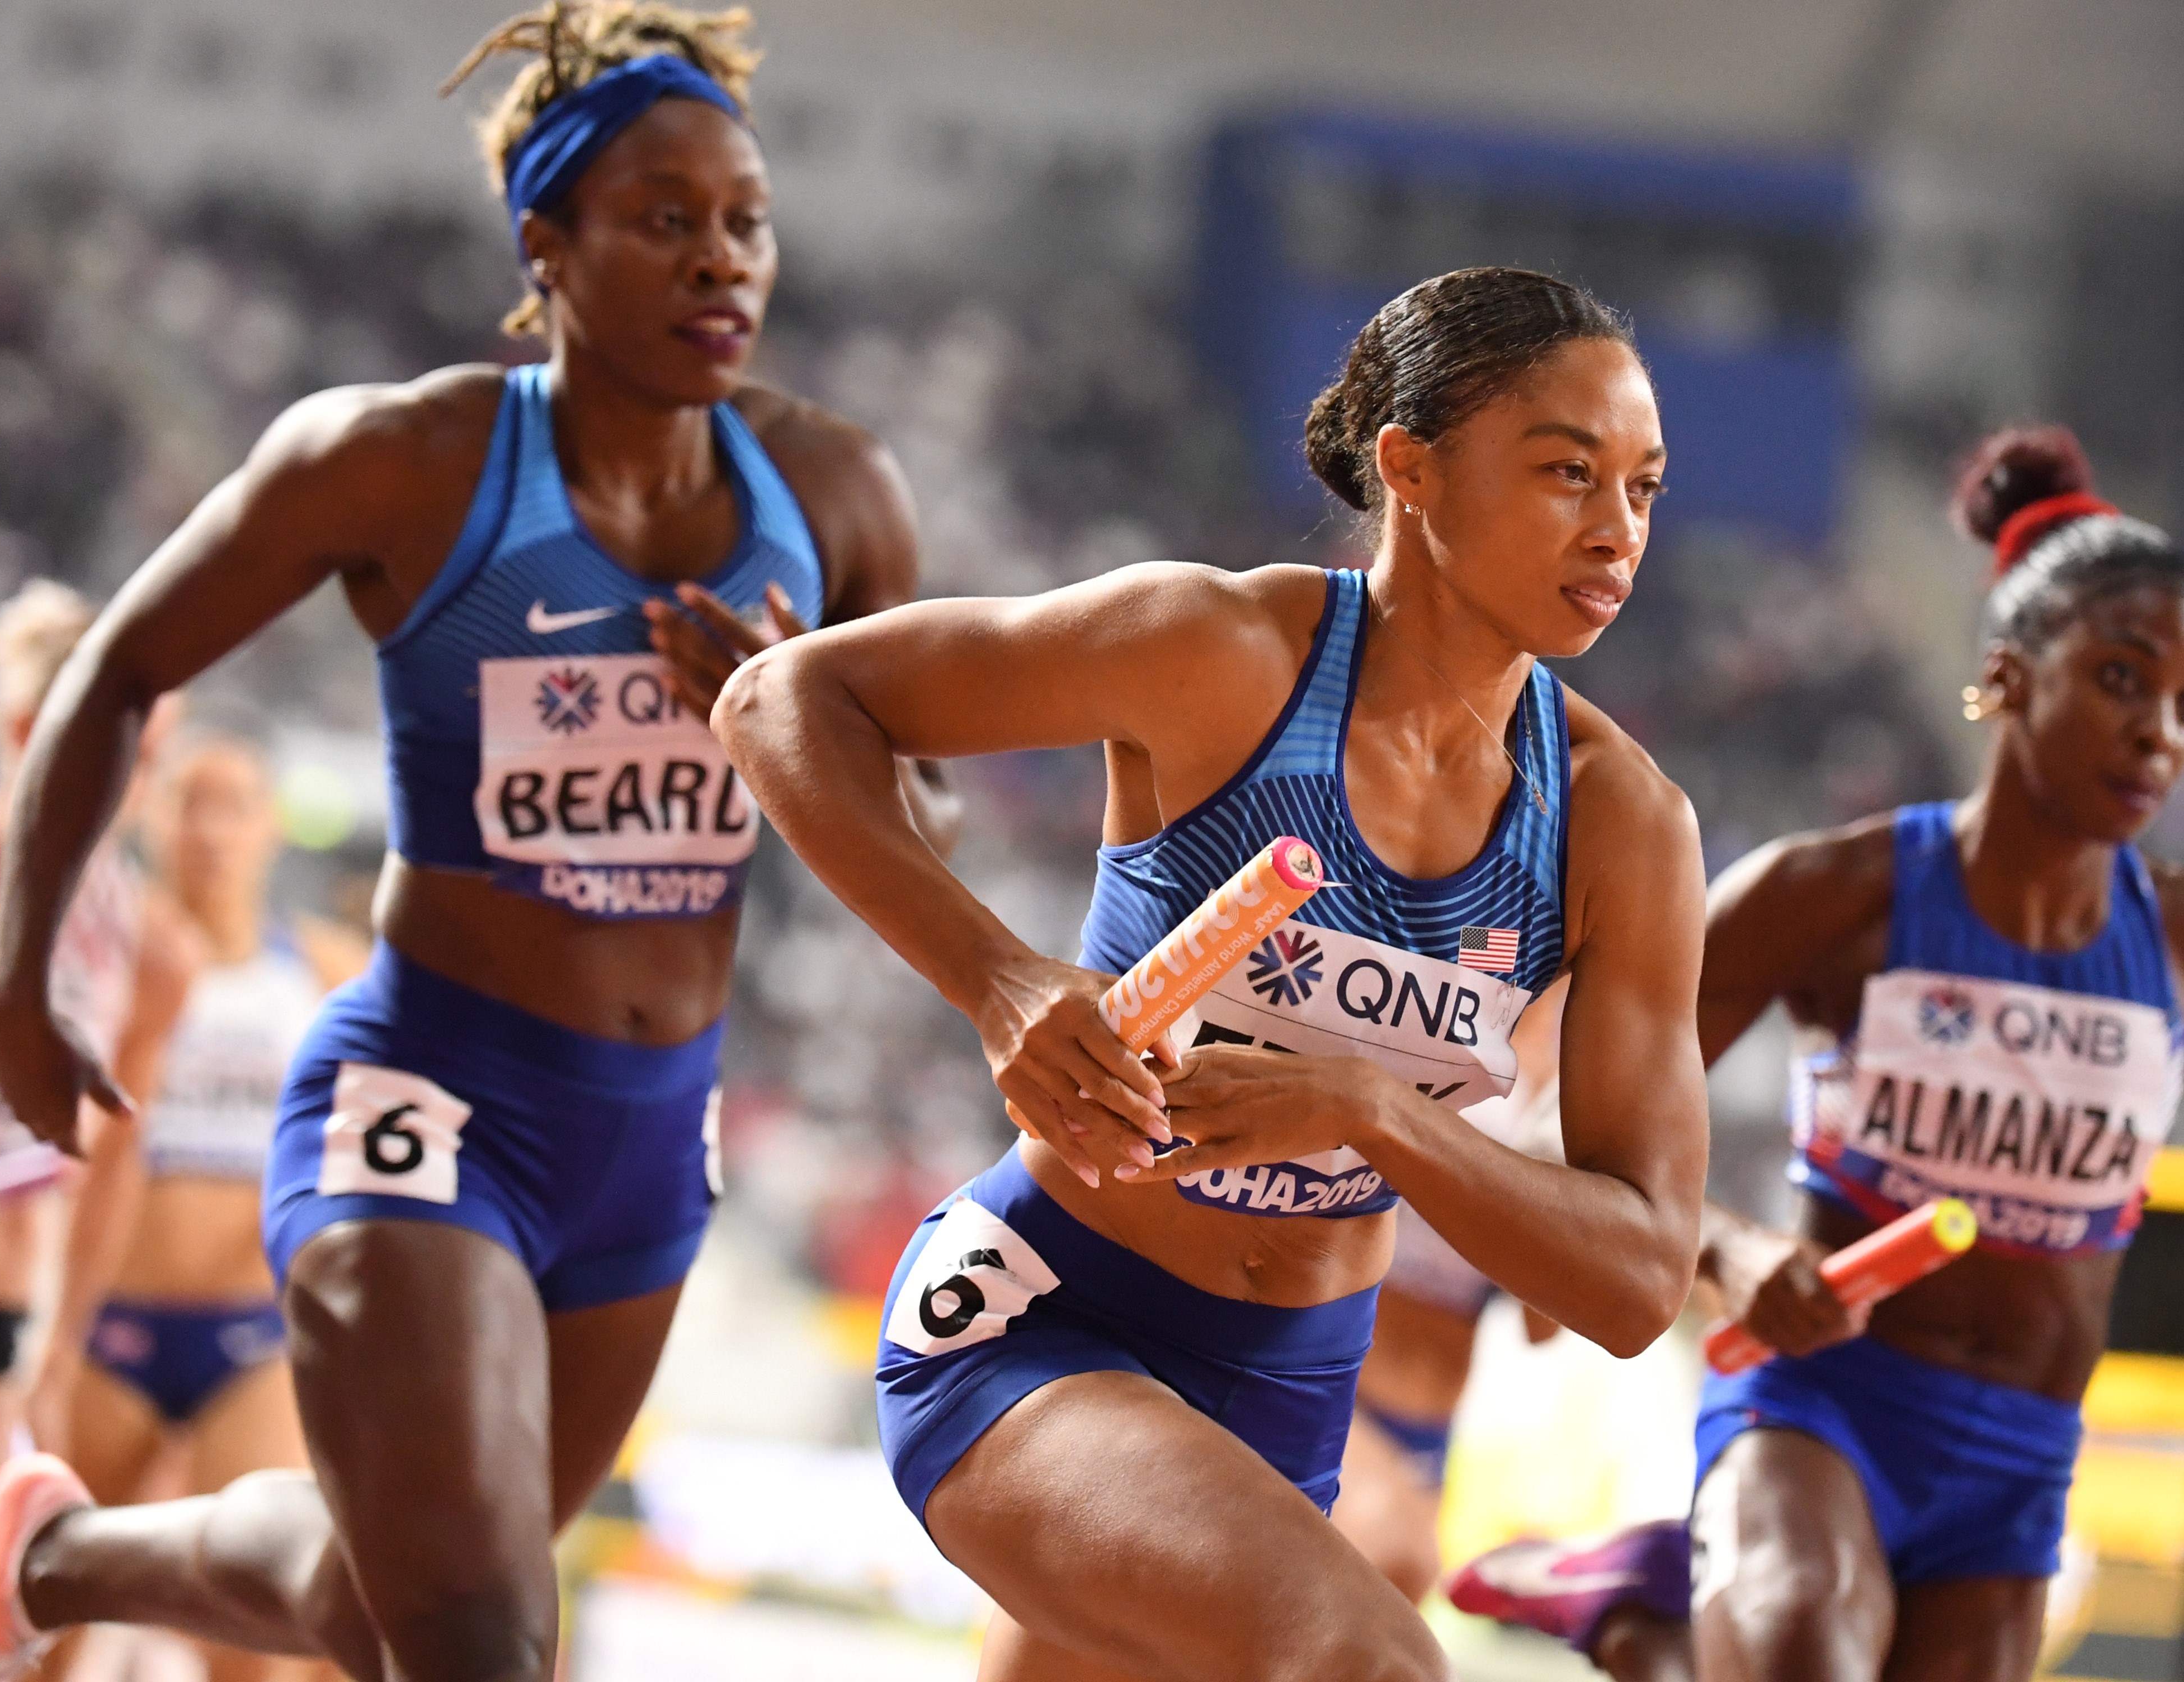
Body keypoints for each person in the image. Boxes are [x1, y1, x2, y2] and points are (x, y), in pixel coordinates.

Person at [0, 7, 948, 1682]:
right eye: (662, 219)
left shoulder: (834, 496)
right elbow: (120, 668)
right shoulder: (408, 458)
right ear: (547, 243)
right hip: (430, 1099)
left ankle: (58, 1553)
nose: (719, 260)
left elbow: (920, 804)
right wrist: (27, 977)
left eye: (743, 220)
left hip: (648, 1140)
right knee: (478, 1642)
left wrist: (782, 713)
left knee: (376, 1602)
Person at [715, 263, 1711, 1682]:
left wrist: (1370, 1109)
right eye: (1567, 473)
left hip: (1289, 1392)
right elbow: (781, 696)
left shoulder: (1621, 824)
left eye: (1644, 489)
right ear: (1409, 468)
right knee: (1370, 1657)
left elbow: (1635, 1279)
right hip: (1041, 1320)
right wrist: (996, 978)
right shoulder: (1219, 652)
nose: (1615, 529)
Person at [1449, 426, 2184, 1682]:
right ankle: (1680, 1599)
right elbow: (1564, 1106)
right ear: (2005, 675)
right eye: (2120, 679)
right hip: (1822, 1405)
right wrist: (1733, 1250)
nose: (2160, 730)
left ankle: (1640, 1611)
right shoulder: (1834, 893)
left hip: (2021, 1455)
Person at [0, 582, 190, 1659]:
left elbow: (113, 1169)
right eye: (122, 750)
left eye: (151, 760)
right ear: (25, 730)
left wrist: (60, 1350)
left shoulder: (151, 954)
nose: (132, 787)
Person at [41, 734, 357, 1682]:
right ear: (148, 816)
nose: (209, 829)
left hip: (254, 1335)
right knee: (46, 1613)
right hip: (107, 1326)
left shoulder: (329, 972)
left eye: (233, 805)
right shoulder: (94, 963)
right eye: (188, 801)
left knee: (259, 1635)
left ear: (271, 828)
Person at [1329, 983, 1572, 1605]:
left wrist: (1560, 1149)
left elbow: (1543, 1324)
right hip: (1331, 1383)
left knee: (1364, 1624)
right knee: (1394, 1562)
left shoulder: (1574, 1079)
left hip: (1430, 1427)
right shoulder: (1468, 999)